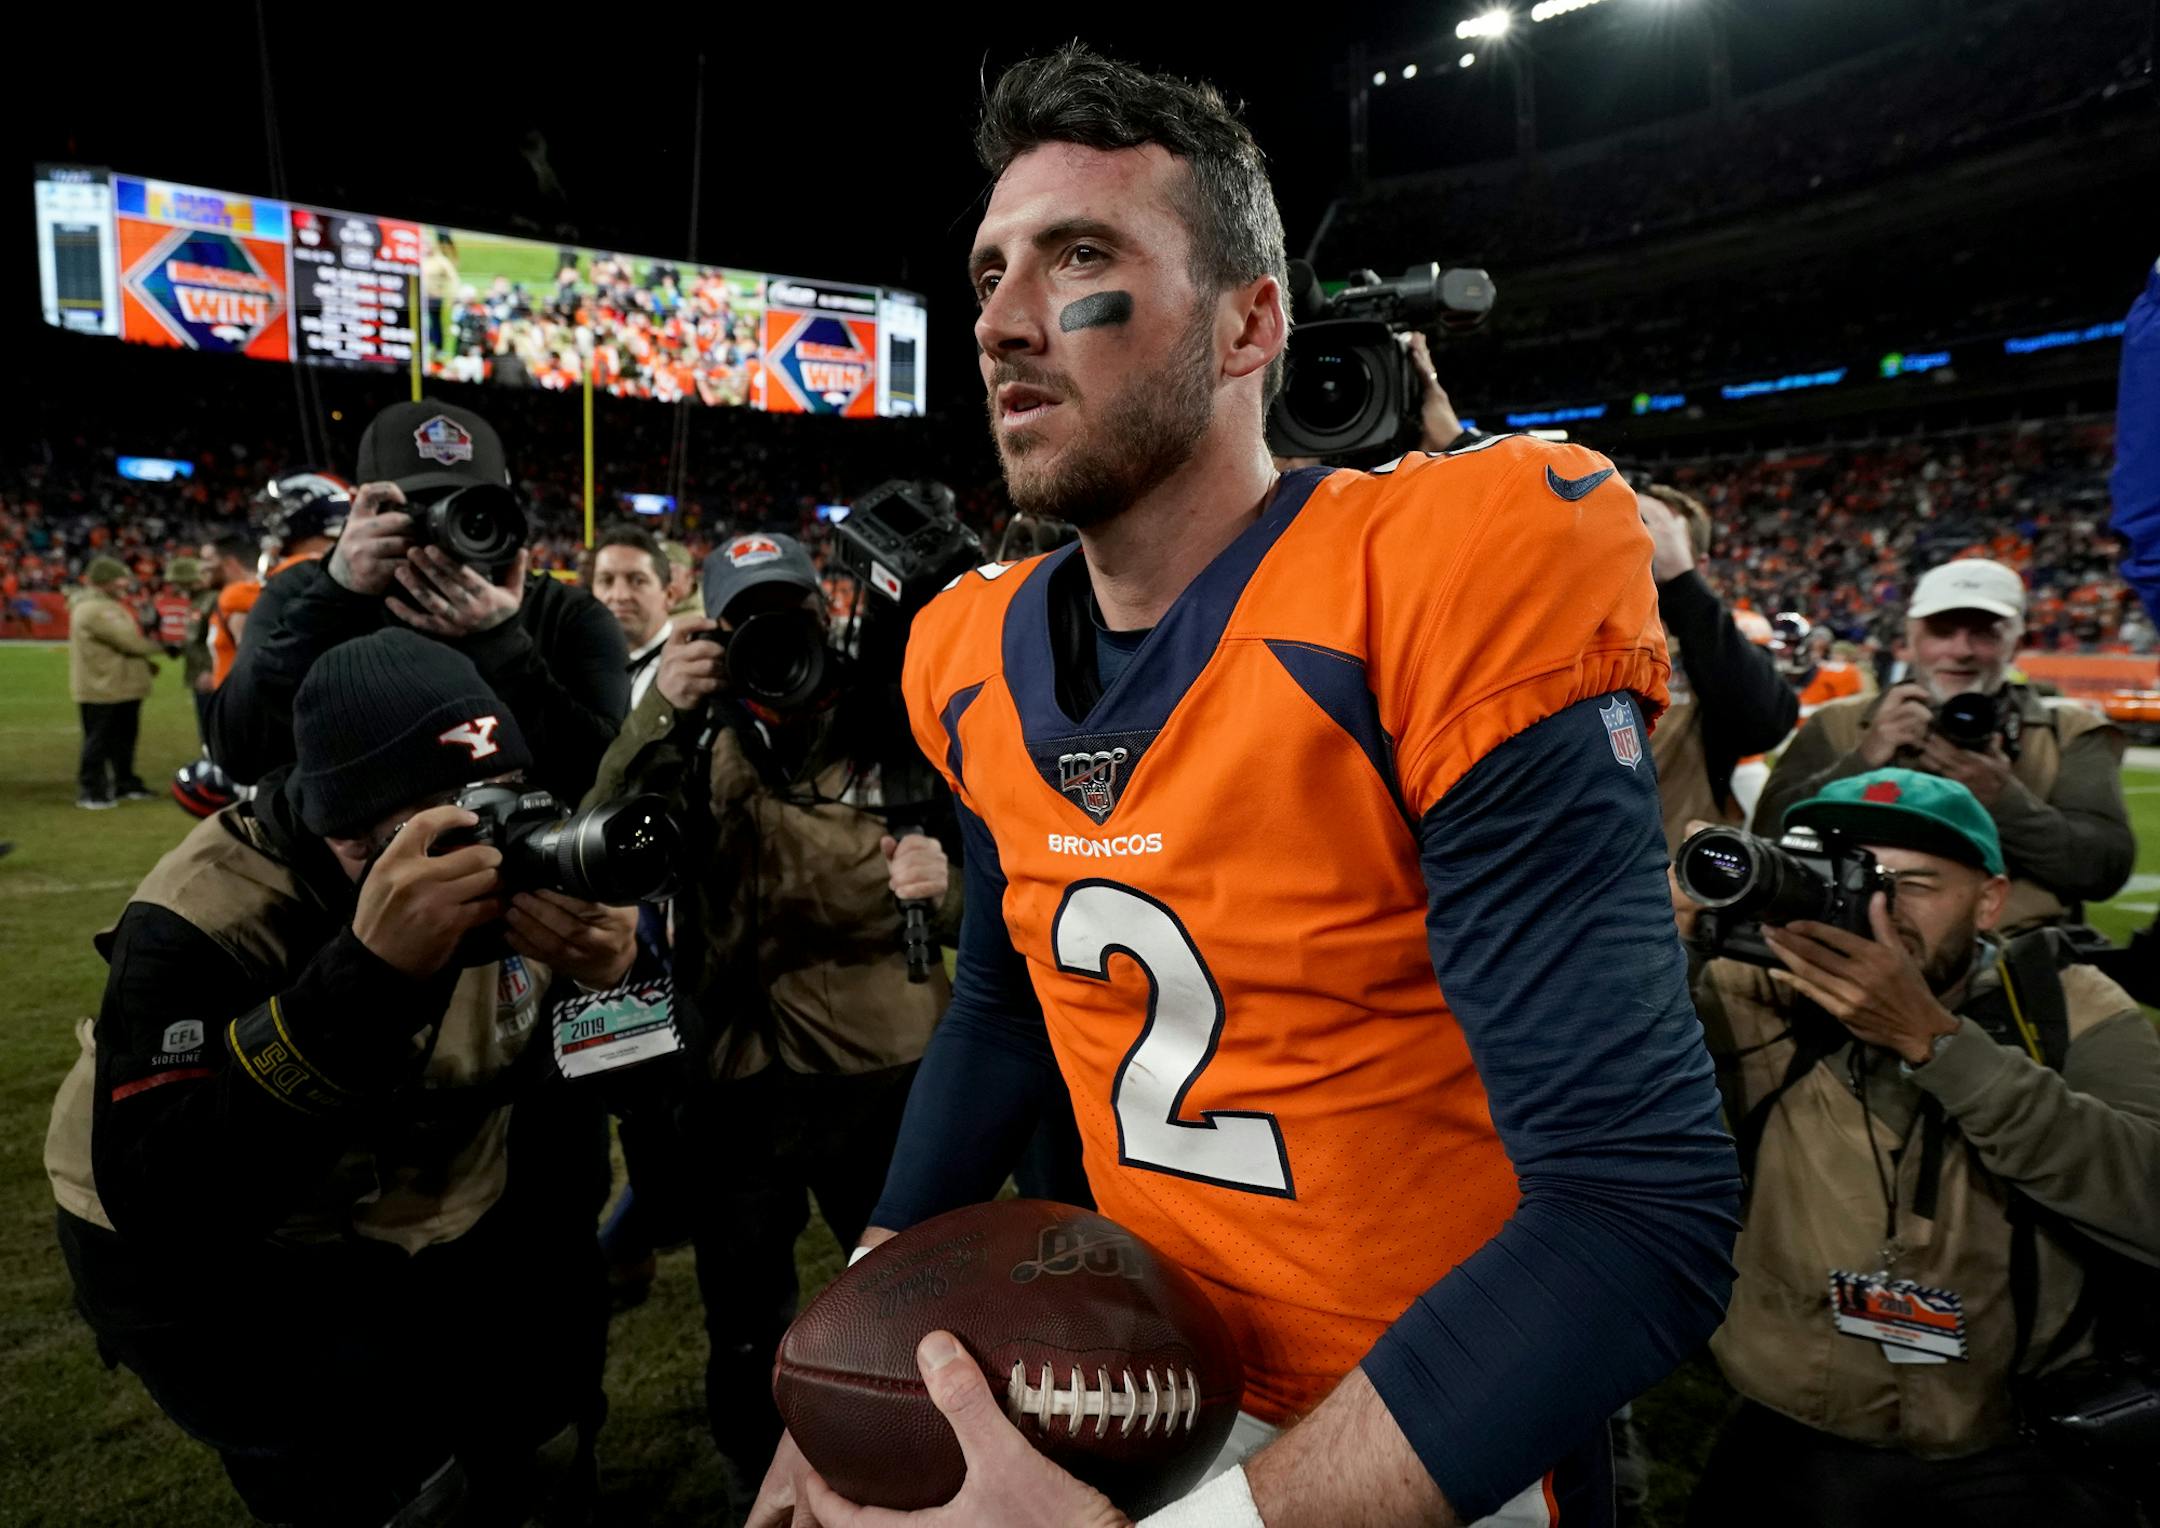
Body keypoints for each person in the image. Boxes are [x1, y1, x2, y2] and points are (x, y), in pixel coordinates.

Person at [750, 45, 1738, 1528]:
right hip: (1127, 1372)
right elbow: (1006, 1000)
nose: (1008, 324)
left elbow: (1636, 1211)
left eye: (1081, 257)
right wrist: (859, 1357)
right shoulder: (963, 649)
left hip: (1432, 1413)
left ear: (1248, 324)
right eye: (987, 273)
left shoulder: (1443, 567)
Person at [45, 629, 637, 1526]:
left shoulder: (534, 871)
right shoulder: (202, 914)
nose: (482, 853)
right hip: (224, 1258)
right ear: (341, 832)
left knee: (529, 1425)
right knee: (361, 1477)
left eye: (495, 805)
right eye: (433, 833)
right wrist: (366, 979)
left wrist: (630, 980)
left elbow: (611, 1103)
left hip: (430, 1199)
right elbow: (166, 1202)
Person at [589, 529, 962, 1506]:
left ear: (823, 611)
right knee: (747, 1316)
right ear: (708, 631)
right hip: (740, 1079)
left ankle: (919, 1465)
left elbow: (1012, 873)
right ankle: (757, 1470)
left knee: (907, 1303)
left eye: (786, 617)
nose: (773, 644)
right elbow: (604, 844)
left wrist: (949, 891)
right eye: (744, 624)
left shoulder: (892, 708)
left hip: (882, 1074)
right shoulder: (691, 731)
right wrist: (661, 710)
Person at [1681, 769, 2160, 1528]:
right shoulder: (1751, 989)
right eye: (1851, 875)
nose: (1878, 911)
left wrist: (1934, 1043)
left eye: (1913, 883)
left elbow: (2148, 1201)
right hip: (1791, 1430)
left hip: (2010, 1443)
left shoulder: (2068, 1007)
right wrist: (1649, 944)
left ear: (1991, 900)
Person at [209, 402, 630, 805]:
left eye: (470, 510)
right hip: (346, 873)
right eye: (416, 510)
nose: (443, 529)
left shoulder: (568, 614)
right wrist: (336, 595)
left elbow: (604, 776)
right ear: (361, 511)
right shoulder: (304, 592)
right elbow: (242, 756)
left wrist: (501, 643)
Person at [1756, 558, 2133, 933]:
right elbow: (1767, 838)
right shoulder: (1838, 724)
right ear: (1910, 639)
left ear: (2015, 644)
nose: (1961, 649)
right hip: (1845, 944)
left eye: (1984, 633)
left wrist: (2003, 801)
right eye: (1942, 631)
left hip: (2011, 960)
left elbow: (2101, 871)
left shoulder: (2069, 732)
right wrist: (1865, 757)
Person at [1637, 482, 1798, 853]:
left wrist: (1681, 579)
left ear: (1699, 565)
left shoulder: (1712, 646)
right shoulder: (1568, 633)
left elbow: (1766, 722)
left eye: (1651, 530)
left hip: (1674, 883)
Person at [68, 555, 159, 810]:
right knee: (99, 740)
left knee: (123, 739)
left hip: (119, 685)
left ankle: (125, 783)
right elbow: (128, 640)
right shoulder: (94, 608)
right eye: (120, 578)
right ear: (104, 580)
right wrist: (163, 646)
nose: (124, 583)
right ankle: (91, 790)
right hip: (103, 687)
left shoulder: (107, 604)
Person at [591, 526, 674, 707]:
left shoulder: (692, 667)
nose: (619, 595)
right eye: (606, 580)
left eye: (637, 580)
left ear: (668, 595)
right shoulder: (577, 661)